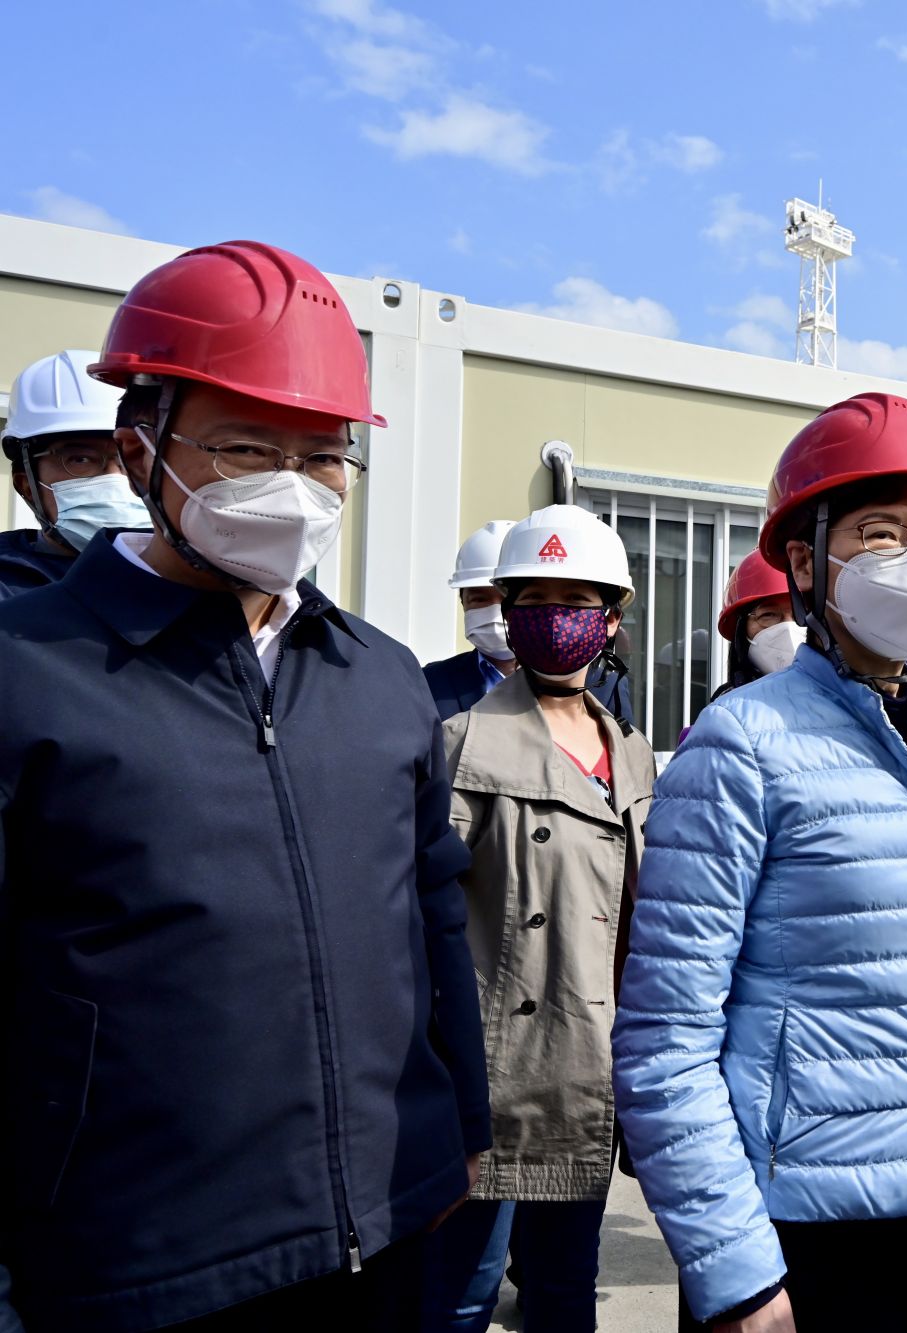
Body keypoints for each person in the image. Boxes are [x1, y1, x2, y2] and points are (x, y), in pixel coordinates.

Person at [0, 240, 489, 1331]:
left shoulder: (381, 676)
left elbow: (432, 914)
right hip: (135, 1255)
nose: (293, 485)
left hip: (386, 1221)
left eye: (323, 456)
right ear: (139, 453)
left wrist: (459, 1131)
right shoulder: (25, 666)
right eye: (246, 447)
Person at [614, 392, 907, 1333]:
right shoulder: (739, 742)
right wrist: (735, 1269)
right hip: (799, 1231)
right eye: (879, 533)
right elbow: (666, 1037)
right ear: (803, 560)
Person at [423, 505, 657, 1333]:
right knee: (459, 1295)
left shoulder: (627, 745)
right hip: (489, 1075)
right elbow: (425, 925)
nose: (556, 617)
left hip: (587, 1061)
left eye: (577, 599)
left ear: (611, 621)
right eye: (535, 598)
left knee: (564, 1293)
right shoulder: (457, 741)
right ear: (508, 612)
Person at [425, 520, 632, 722]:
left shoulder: (603, 682)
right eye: (480, 599)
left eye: (505, 599)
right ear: (463, 604)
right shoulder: (431, 681)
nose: (495, 611)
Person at [0, 349, 149, 600]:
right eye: (80, 460)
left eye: (131, 458)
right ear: (27, 486)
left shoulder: (200, 588)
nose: (116, 480)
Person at [714, 548, 804, 698]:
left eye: (802, 615)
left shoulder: (848, 701)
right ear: (741, 631)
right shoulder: (723, 715)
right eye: (768, 615)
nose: (788, 629)